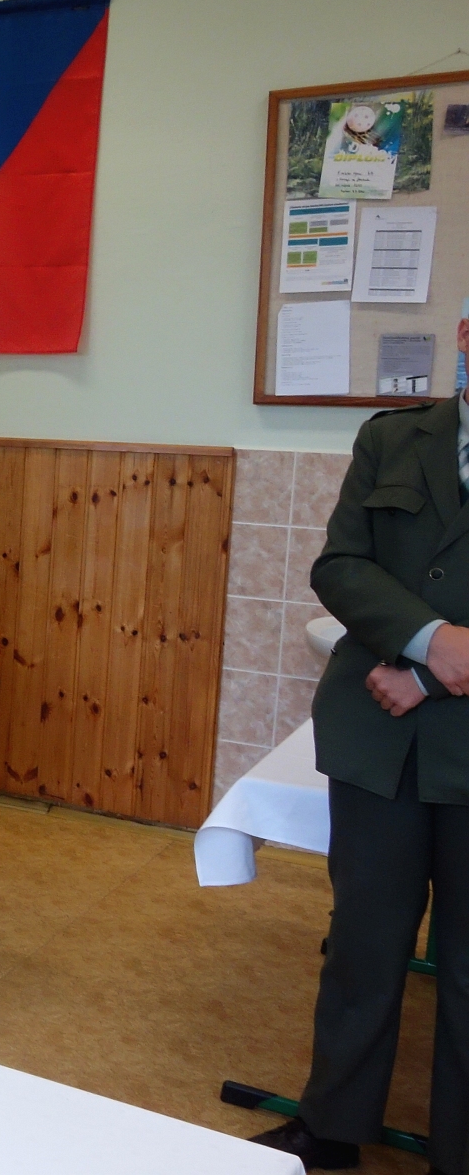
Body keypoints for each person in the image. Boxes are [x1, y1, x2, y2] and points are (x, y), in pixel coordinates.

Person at [250, 322, 469, 1175]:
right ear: (464, 335)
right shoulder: (392, 438)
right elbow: (341, 565)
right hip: (378, 738)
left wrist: (436, 671)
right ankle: (332, 1127)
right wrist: (427, 641)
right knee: (362, 945)